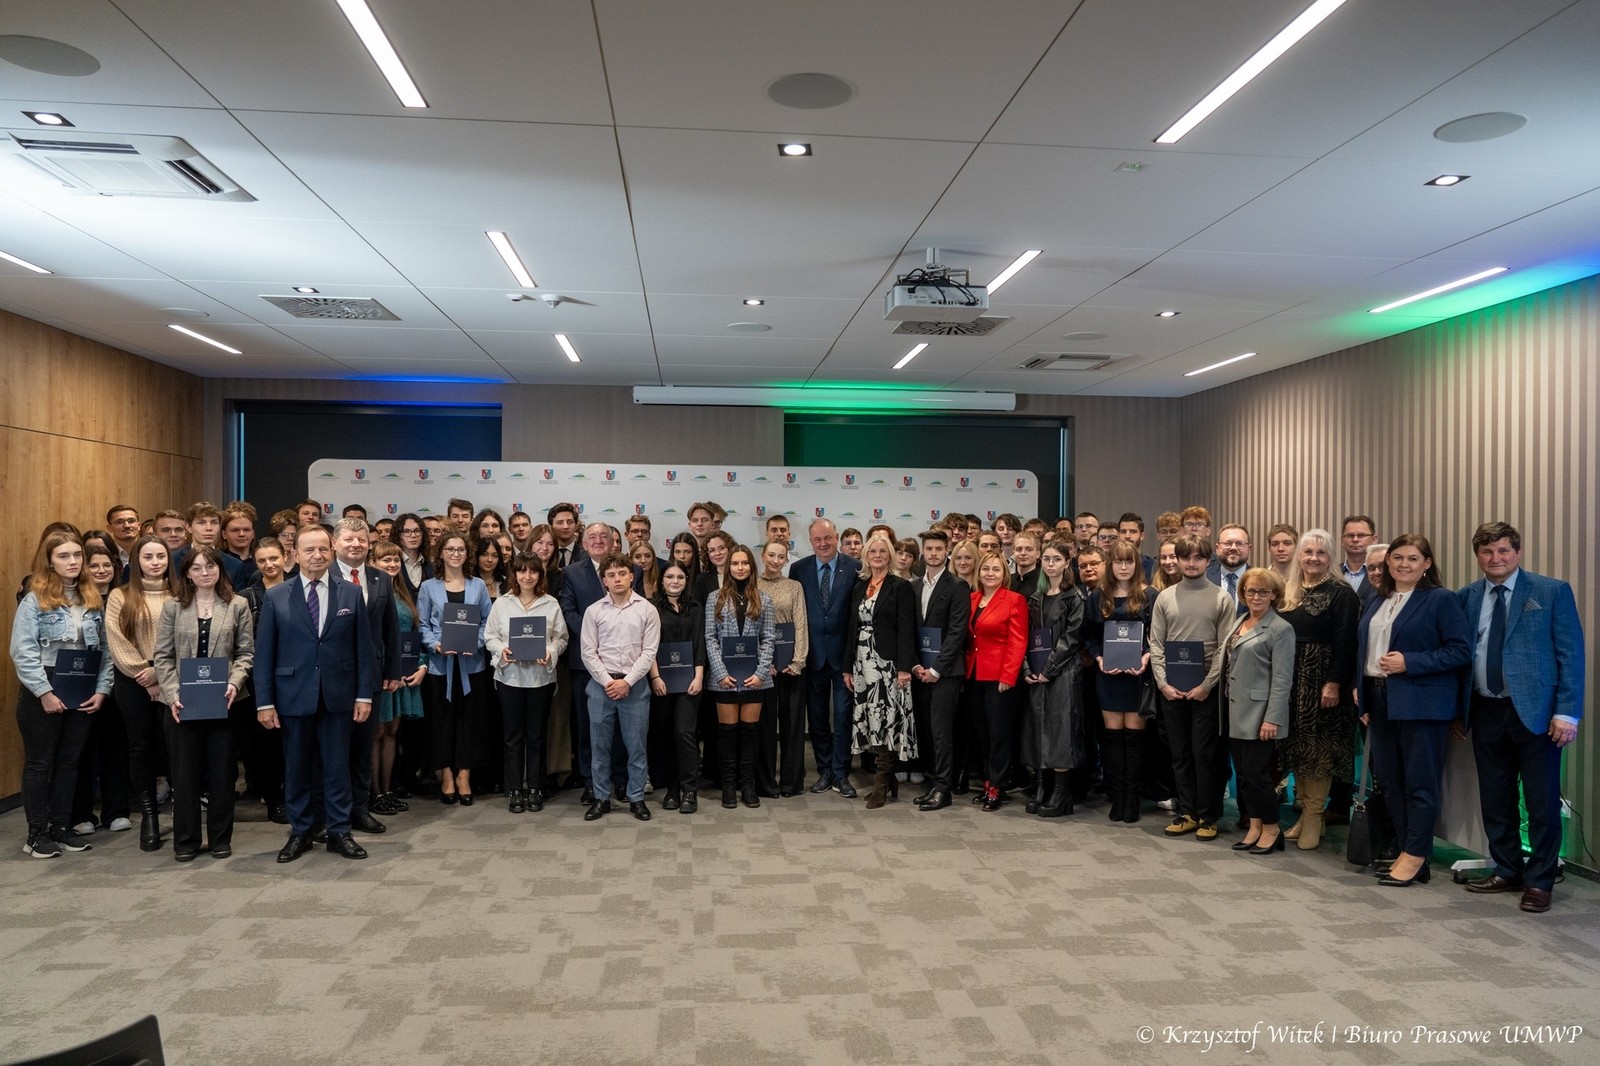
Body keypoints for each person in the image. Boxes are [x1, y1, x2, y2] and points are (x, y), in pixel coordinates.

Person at [1457, 522, 1585, 913]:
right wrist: (1458, 711)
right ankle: (1507, 869)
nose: (1495, 558)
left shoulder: (1551, 591)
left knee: (1541, 800)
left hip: (1538, 715)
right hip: (1485, 709)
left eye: (1503, 551)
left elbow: (1570, 655)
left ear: (1518, 552)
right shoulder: (1467, 597)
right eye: (1486, 551)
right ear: (1478, 556)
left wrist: (1567, 712)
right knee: (1495, 797)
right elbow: (1462, 657)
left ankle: (1540, 880)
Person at [255, 525, 378, 863]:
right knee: (296, 769)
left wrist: (364, 695)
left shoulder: (350, 593)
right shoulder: (277, 596)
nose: (317, 555)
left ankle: (339, 832)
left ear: (332, 551)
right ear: (295, 554)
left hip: (339, 696)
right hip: (292, 696)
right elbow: (264, 654)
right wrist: (264, 702)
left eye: (323, 549)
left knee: (337, 768)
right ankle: (301, 832)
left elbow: (363, 649)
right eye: (309, 550)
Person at [1356, 533, 1471, 887]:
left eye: (1412, 559)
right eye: (1398, 558)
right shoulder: (1378, 599)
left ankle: (1416, 853)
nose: (1403, 564)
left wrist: (1411, 662)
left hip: (1421, 703)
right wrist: (1364, 697)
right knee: (1389, 782)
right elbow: (1363, 651)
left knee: (1419, 783)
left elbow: (1460, 651)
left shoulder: (1440, 600)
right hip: (1379, 699)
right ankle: (1409, 853)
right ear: (1388, 562)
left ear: (1427, 564)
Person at [10, 531, 114, 858]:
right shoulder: (34, 599)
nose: (72, 562)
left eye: (77, 555)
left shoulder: (91, 598)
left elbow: (105, 651)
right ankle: (37, 834)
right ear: (50, 561)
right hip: (45, 683)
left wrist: (102, 689)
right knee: (41, 763)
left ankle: (61, 827)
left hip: (82, 684)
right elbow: (23, 651)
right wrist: (44, 691)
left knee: (70, 762)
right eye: (63, 556)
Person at [153, 546, 254, 861]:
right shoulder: (173, 607)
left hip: (225, 701)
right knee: (185, 775)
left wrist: (234, 682)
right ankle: (186, 841)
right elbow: (163, 656)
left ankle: (221, 839)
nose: (204, 573)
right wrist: (173, 694)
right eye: (196, 568)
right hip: (182, 704)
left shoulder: (237, 604)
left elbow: (245, 653)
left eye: (210, 566)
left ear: (220, 570)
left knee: (223, 774)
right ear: (187, 574)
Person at [1277, 529, 1360, 850]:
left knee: (1320, 752)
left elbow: (1347, 643)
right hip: (1292, 682)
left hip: (1323, 684)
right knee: (1299, 749)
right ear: (1299, 556)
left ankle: (1314, 816)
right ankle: (1306, 815)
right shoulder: (1290, 589)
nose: (1313, 558)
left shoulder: (1342, 593)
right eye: (1308, 552)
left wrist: (1334, 683)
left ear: (1330, 558)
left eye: (1321, 553)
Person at [1149, 535, 1235, 841]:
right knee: (1180, 753)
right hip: (1171, 690)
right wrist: (1163, 683)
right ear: (1178, 560)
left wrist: (1207, 685)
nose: (1191, 563)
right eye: (1186, 557)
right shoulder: (1165, 597)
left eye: (1198, 557)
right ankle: (1187, 812)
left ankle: (1208, 815)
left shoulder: (1221, 599)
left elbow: (1225, 648)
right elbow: (1156, 644)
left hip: (1206, 691)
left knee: (1205, 754)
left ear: (1208, 561)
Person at [105, 534, 179, 851]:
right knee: (140, 747)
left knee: (177, 746)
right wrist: (146, 675)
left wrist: (160, 673)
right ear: (136, 561)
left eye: (160, 556)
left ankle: (182, 813)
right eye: (147, 557)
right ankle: (149, 816)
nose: (155, 562)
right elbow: (117, 641)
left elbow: (187, 638)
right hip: (133, 680)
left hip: (173, 677)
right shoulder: (120, 596)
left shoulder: (181, 594)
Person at [332, 518, 403, 835]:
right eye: (349, 539)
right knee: (334, 750)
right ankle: (333, 813)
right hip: (333, 677)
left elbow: (391, 629)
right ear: (335, 543)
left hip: (371, 676)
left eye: (361, 539)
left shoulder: (379, 578)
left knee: (363, 749)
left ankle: (360, 810)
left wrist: (393, 671)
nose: (356, 544)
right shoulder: (324, 576)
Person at [580, 552, 661, 822]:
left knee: (636, 746)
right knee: (599, 746)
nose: (617, 579)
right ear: (604, 580)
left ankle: (636, 798)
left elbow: (649, 652)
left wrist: (626, 682)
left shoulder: (647, 609)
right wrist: (609, 682)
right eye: (611, 575)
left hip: (634, 685)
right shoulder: (594, 611)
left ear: (631, 576)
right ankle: (601, 798)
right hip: (601, 686)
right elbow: (588, 653)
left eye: (622, 574)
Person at [485, 552, 568, 814]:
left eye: (533, 571)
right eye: (522, 571)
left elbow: (561, 638)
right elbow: (490, 636)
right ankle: (514, 789)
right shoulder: (502, 603)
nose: (527, 576)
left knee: (537, 736)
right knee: (512, 737)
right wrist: (501, 650)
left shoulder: (551, 604)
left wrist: (550, 652)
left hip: (540, 679)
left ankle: (535, 787)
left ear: (540, 575)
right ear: (515, 574)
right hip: (509, 677)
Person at [1221, 568, 1296, 855]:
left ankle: (1272, 828)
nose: (1256, 596)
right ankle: (1254, 826)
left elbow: (1282, 679)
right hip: (1234, 711)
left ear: (1274, 595)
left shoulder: (1281, 628)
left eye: (1263, 591)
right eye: (1250, 591)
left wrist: (1272, 718)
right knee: (1243, 775)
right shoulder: (1241, 621)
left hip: (1260, 715)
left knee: (1258, 776)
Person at [417, 532, 493, 806]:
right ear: (441, 553)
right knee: (442, 721)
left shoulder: (478, 585)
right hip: (440, 665)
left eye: (460, 549)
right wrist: (435, 645)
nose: (456, 554)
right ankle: (446, 774)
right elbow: (421, 624)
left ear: (467, 554)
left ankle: (464, 774)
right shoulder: (428, 587)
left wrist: (476, 642)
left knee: (469, 721)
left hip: (472, 664)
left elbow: (488, 621)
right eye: (450, 549)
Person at [845, 533, 917, 809]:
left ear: (890, 556)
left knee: (886, 719)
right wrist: (847, 668)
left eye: (882, 551)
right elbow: (851, 629)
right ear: (866, 556)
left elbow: (907, 630)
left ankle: (882, 781)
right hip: (862, 663)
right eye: (873, 551)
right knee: (871, 718)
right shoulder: (859, 587)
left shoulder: (900, 587)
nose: (877, 555)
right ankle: (887, 781)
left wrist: (904, 668)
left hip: (888, 666)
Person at [792, 518, 862, 797]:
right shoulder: (799, 569)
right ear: (810, 542)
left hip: (844, 658)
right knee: (818, 717)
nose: (823, 544)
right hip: (813, 656)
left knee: (843, 716)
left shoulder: (855, 567)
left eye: (828, 538)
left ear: (836, 538)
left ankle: (841, 773)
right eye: (817, 539)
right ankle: (825, 771)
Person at [1086, 540, 1154, 823]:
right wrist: (1099, 658)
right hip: (1109, 677)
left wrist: (1147, 656)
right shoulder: (1097, 597)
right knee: (1112, 740)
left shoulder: (1150, 595)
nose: (1123, 567)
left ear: (1136, 564)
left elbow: (1157, 636)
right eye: (1118, 562)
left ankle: (1132, 799)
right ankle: (1118, 797)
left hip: (1138, 676)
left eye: (1129, 561)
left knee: (1134, 740)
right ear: (1110, 565)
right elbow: (1090, 637)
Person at [704, 544, 776, 809]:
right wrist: (720, 673)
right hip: (724, 679)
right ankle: (728, 787)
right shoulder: (715, 598)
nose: (740, 567)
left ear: (751, 566)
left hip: (754, 679)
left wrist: (760, 673)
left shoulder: (764, 599)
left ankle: (748, 785)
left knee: (750, 734)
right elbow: (710, 638)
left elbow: (769, 639)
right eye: (735, 563)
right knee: (727, 734)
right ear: (728, 567)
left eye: (744, 563)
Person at [1022, 540, 1085, 818]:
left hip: (1063, 672)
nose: (1050, 564)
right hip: (1037, 673)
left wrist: (1048, 669)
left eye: (1056, 559)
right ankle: (1043, 786)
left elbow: (1071, 638)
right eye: (1046, 559)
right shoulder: (1036, 597)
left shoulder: (1075, 597)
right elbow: (1025, 637)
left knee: (1062, 732)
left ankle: (1061, 793)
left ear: (1066, 563)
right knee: (1038, 729)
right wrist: (1028, 669)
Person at [71, 543, 129, 834]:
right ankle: (81, 814)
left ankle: (116, 811)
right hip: (83, 682)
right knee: (81, 748)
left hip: (121, 683)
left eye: (107, 565)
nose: (101, 570)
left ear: (115, 568)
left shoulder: (124, 597)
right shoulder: (76, 600)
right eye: (93, 565)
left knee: (115, 748)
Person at [910, 529, 969, 812]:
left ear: (947, 552)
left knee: (942, 731)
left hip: (945, 672)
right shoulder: (913, 586)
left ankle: (944, 789)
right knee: (926, 730)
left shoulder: (957, 586)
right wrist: (916, 665)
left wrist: (936, 669)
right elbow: (910, 630)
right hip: (920, 671)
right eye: (929, 549)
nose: (933, 553)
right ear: (922, 552)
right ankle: (934, 782)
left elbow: (957, 633)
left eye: (938, 549)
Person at [966, 551, 1027, 812]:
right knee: (982, 733)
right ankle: (987, 781)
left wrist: (1008, 676)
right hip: (973, 674)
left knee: (999, 734)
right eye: (985, 569)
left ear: (1004, 575)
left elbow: (1018, 641)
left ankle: (998, 787)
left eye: (996, 569)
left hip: (999, 677)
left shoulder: (1014, 600)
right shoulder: (972, 598)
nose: (989, 573)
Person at [368, 541, 426, 815]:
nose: (392, 564)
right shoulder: (369, 594)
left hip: (404, 672)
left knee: (392, 732)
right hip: (381, 674)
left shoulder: (404, 594)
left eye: (395, 560)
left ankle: (387, 790)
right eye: (385, 560)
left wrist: (421, 665)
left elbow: (415, 634)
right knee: (377, 733)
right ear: (372, 564)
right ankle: (374, 793)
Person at [648, 561, 706, 813]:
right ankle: (672, 789)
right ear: (661, 580)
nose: (675, 581)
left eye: (680, 577)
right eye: (670, 577)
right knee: (665, 735)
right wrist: (655, 677)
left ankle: (689, 790)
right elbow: (648, 645)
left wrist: (699, 676)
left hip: (690, 682)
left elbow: (700, 643)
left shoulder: (696, 608)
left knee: (684, 733)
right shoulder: (651, 608)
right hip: (661, 681)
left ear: (686, 580)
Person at [240, 538, 290, 823]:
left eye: (274, 558)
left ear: (285, 556)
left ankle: (294, 794)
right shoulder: (246, 597)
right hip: (259, 677)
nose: (269, 565)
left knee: (292, 740)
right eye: (262, 560)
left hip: (295, 675)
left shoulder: (299, 588)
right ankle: (274, 799)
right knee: (266, 742)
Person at [757, 539, 809, 797]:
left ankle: (791, 782)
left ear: (786, 559)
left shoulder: (794, 586)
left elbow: (800, 623)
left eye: (781, 557)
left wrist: (798, 661)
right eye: (771, 555)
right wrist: (763, 663)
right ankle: (766, 783)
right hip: (763, 669)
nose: (776, 561)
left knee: (793, 727)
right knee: (764, 727)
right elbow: (751, 626)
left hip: (791, 667)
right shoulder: (753, 585)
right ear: (763, 556)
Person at [393, 512, 433, 601]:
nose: (413, 535)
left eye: (417, 531)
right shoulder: (392, 564)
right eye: (406, 531)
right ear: (398, 535)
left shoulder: (431, 565)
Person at [1340, 515, 1377, 592]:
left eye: (1361, 535)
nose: (1355, 539)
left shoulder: (1384, 574)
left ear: (1374, 539)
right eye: (1350, 535)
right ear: (1342, 540)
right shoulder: (1331, 574)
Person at [474, 536, 507, 601]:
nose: (490, 560)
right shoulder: (468, 582)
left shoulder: (506, 582)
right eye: (485, 554)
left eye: (495, 556)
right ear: (477, 556)